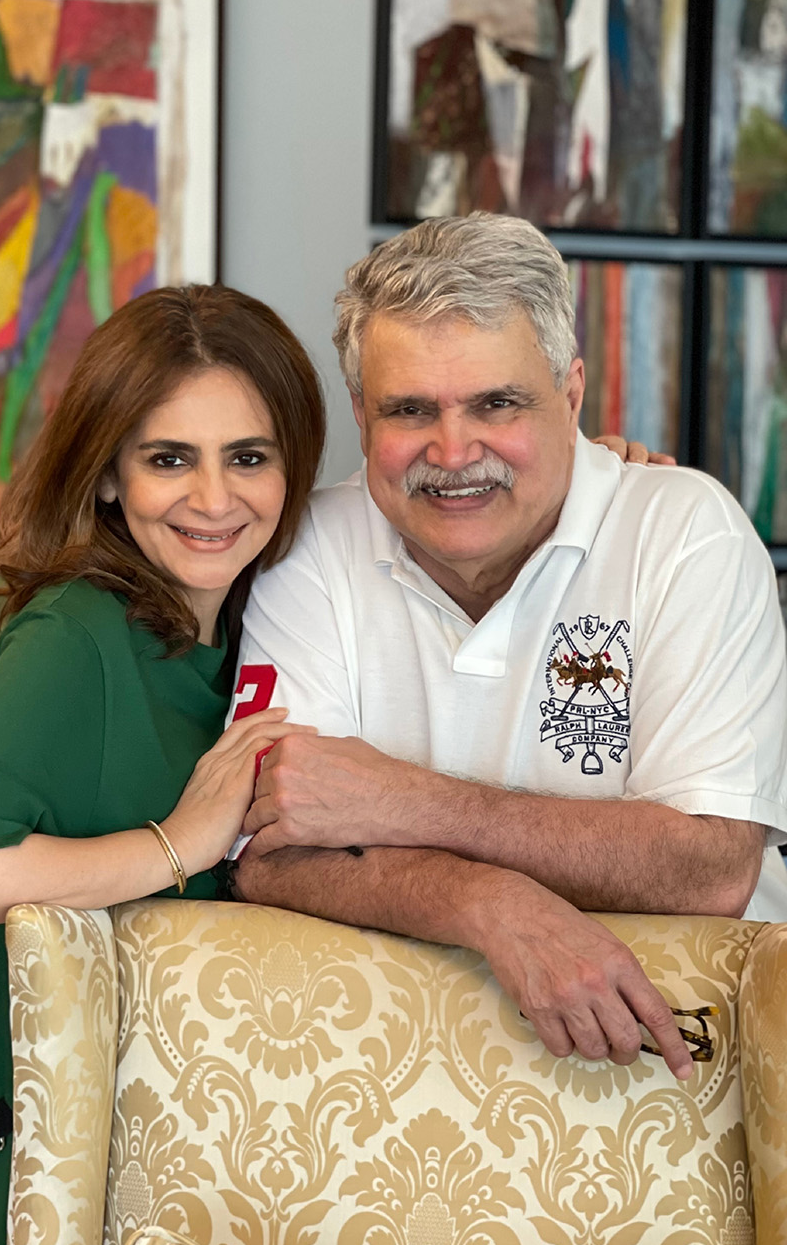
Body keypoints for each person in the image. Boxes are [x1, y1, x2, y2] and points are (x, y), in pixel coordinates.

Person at [229, 213, 787, 1081]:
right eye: (410, 409)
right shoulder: (305, 547)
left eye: (498, 403)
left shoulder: (687, 533)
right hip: (398, 1076)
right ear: (362, 417)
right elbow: (270, 856)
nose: (454, 451)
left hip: (687, 1068)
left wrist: (408, 805)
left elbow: (709, 867)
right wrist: (491, 903)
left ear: (570, 396)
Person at [0, 283, 326, 1245]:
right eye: (170, 458)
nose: (215, 497)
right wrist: (178, 845)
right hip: (81, 1216)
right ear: (111, 476)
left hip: (224, 1209)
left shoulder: (267, 624)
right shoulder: (78, 635)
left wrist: (603, 485)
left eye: (250, 457)